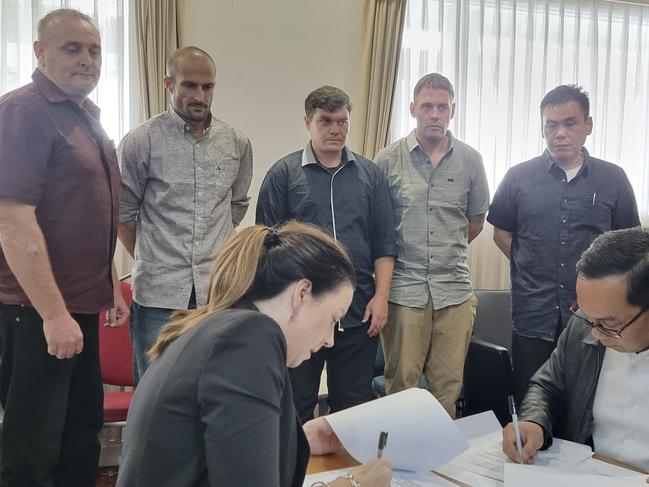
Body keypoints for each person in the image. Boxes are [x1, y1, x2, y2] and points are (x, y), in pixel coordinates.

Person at [115, 222, 392, 487]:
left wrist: (299, 440)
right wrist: (353, 483)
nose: (330, 340)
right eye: (333, 318)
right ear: (302, 293)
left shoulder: (223, 327)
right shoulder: (250, 337)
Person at [0, 8, 128, 487]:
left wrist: (110, 284)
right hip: (35, 313)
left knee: (79, 435)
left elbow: (89, 215)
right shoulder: (22, 111)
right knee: (33, 448)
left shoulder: (85, 118)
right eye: (72, 49)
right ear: (39, 53)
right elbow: (12, 220)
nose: (87, 60)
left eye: (94, 50)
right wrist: (54, 315)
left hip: (81, 308)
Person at [488, 84, 640, 403]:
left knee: (588, 401)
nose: (559, 133)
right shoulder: (518, 177)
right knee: (533, 397)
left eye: (569, 123)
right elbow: (501, 233)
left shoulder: (613, 179)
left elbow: (631, 248)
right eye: (551, 124)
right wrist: (528, 265)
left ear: (588, 125)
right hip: (533, 311)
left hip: (595, 318)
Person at [256, 85, 396, 422]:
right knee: (296, 405)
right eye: (326, 121)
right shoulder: (283, 174)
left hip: (359, 310)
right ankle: (297, 473)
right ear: (308, 121)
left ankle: (348, 475)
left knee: (354, 407)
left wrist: (382, 297)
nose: (336, 129)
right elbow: (266, 246)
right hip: (302, 314)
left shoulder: (370, 175)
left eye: (343, 122)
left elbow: (384, 242)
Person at [118, 46, 253, 382]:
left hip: (216, 293)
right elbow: (123, 215)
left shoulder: (236, 143)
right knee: (156, 388)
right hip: (158, 294)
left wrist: (212, 248)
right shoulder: (141, 142)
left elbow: (235, 205)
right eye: (189, 85)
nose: (200, 95)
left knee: (215, 385)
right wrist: (154, 257)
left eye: (208, 87)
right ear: (169, 84)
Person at [374, 73, 489, 417]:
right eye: (427, 106)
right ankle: (396, 467)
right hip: (404, 292)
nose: (435, 114)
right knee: (401, 387)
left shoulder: (471, 160)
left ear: (453, 110)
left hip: (454, 293)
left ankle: (441, 468)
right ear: (413, 109)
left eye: (443, 107)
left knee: (447, 388)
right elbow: (379, 227)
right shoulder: (387, 159)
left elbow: (475, 221)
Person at [502, 227, 649, 476]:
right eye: (587, 317)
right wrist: (534, 421)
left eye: (608, 325)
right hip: (587, 472)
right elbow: (548, 387)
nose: (595, 334)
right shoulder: (584, 326)